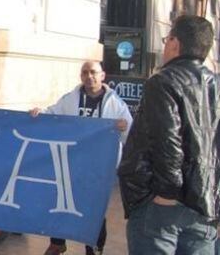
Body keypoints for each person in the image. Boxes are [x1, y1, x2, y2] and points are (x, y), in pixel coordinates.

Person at [118, 15, 219, 255]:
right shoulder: (215, 84)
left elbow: (167, 140)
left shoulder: (163, 81)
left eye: (166, 39)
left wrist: (167, 192)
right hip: (204, 202)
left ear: (175, 43)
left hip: (163, 205)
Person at [29, 61, 132, 255]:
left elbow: (130, 134)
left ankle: (94, 247)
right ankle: (57, 242)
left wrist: (123, 127)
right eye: (85, 72)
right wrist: (39, 113)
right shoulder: (71, 99)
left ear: (103, 76)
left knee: (95, 209)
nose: (89, 76)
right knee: (61, 201)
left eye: (93, 72)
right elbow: (52, 114)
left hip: (99, 167)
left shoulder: (116, 104)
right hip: (72, 163)